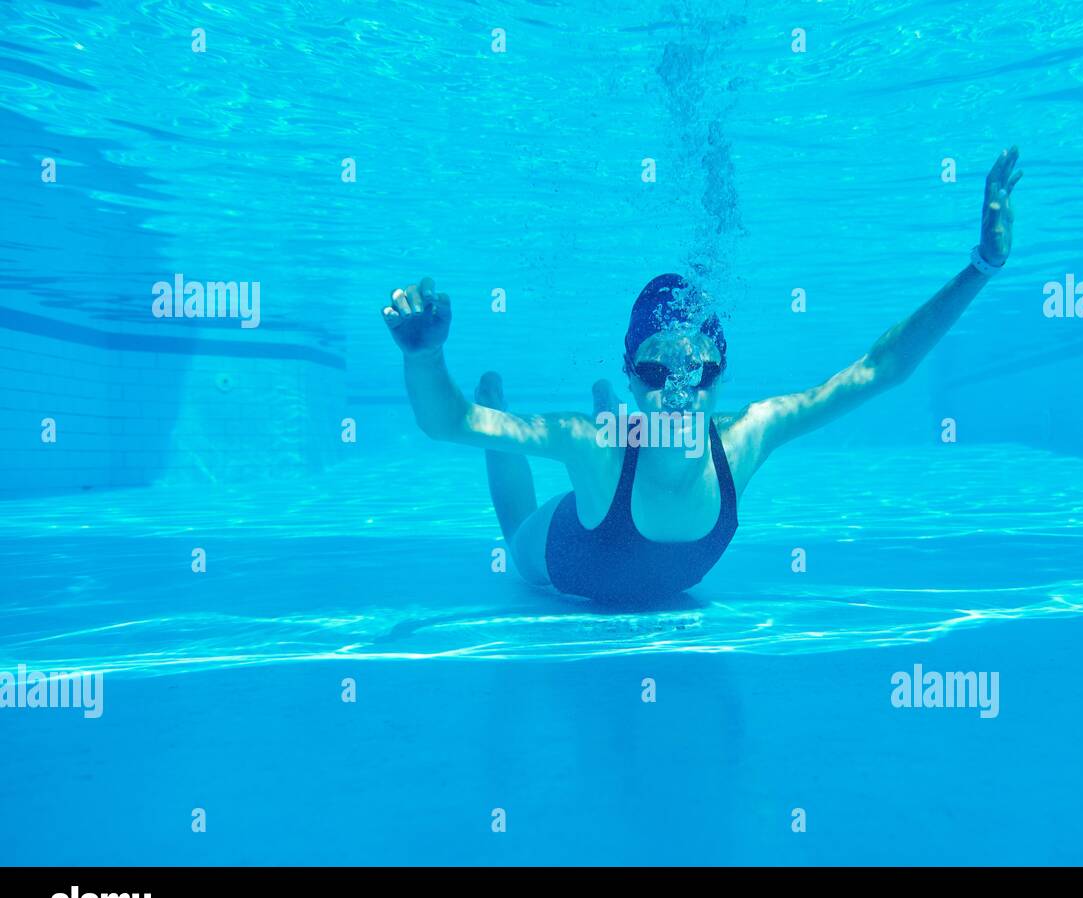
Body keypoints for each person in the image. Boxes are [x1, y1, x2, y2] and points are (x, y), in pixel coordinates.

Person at [382, 148, 1022, 603]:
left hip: (618, 482)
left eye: (698, 367)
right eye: (657, 370)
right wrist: (425, 357)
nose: (680, 389)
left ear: (720, 373)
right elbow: (454, 423)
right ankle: (526, 393)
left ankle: (601, 399)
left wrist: (981, 267)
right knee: (516, 532)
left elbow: (878, 370)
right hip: (569, 562)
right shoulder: (597, 448)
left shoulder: (747, 437)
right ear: (635, 376)